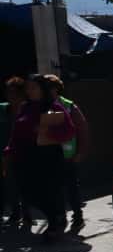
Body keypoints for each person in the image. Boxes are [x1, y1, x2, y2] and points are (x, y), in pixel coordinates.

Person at [4, 74, 75, 242]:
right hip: (25, 157)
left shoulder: (53, 107)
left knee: (48, 192)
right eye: (28, 88)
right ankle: (56, 218)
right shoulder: (25, 107)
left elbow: (68, 131)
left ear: (42, 89)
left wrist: (46, 131)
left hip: (47, 157)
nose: (30, 91)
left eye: (33, 87)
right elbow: (16, 133)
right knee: (27, 192)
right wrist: (8, 151)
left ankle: (54, 224)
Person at [44, 74, 90, 234]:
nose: (46, 91)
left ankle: (78, 217)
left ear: (56, 89)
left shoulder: (69, 106)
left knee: (71, 188)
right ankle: (60, 217)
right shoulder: (40, 106)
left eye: (49, 87)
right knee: (54, 189)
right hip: (49, 155)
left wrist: (80, 152)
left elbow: (83, 130)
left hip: (68, 154)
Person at [0, 77, 28, 228]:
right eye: (8, 92)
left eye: (14, 92)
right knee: (9, 183)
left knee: (25, 184)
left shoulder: (29, 109)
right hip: (6, 152)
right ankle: (15, 213)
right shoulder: (3, 109)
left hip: (24, 152)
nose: (10, 96)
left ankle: (27, 214)